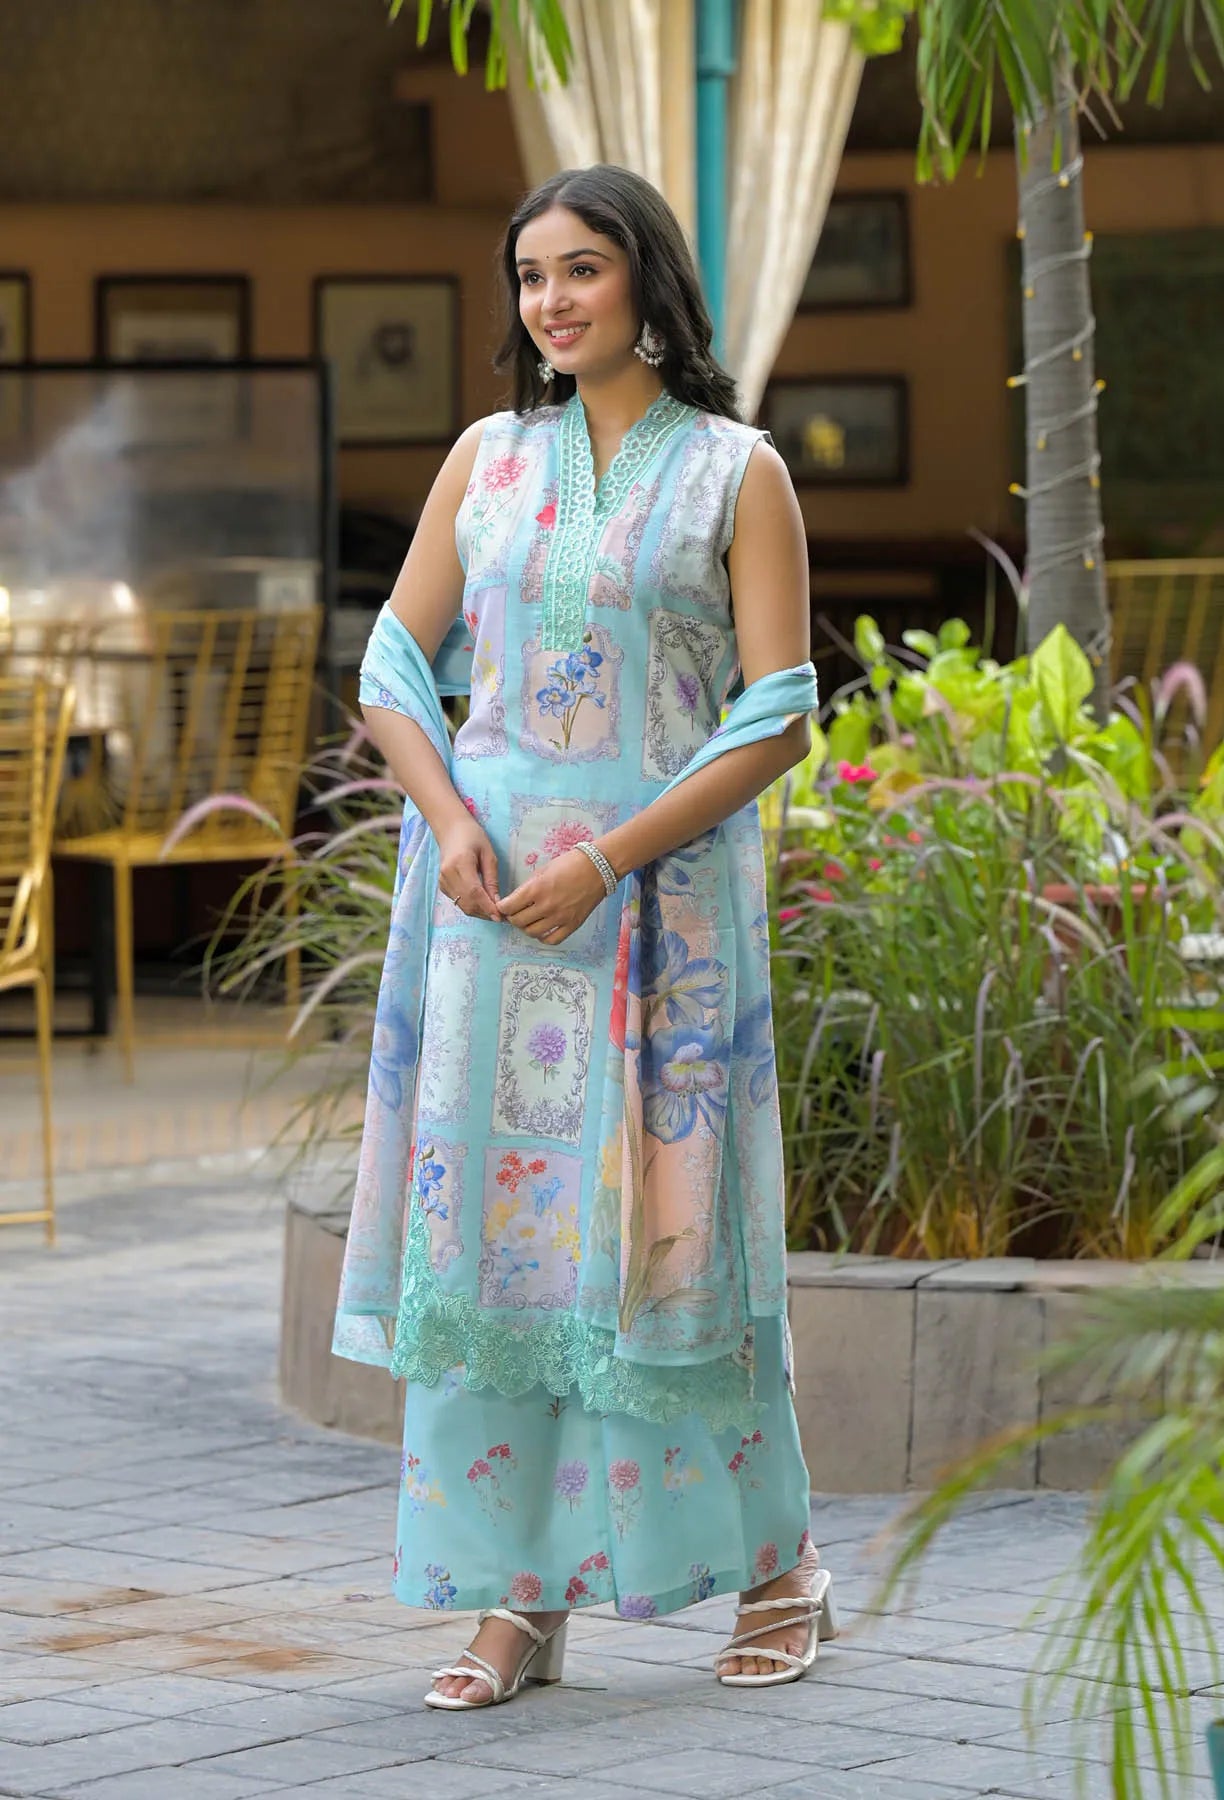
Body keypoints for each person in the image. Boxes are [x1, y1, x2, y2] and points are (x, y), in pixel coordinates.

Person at [332, 162, 835, 1711]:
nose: (550, 299)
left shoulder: (737, 472)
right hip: (487, 925)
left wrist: (611, 856)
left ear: (647, 284)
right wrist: (457, 820)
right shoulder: (487, 459)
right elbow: (391, 666)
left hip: (656, 918)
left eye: (581, 269)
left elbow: (778, 712)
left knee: (674, 1241)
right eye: (530, 273)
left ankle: (780, 1570)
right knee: (502, 1251)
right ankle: (513, 1600)